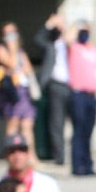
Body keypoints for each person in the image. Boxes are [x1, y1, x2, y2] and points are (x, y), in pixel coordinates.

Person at [0, 21, 39, 166]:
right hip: (11, 93)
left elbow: (28, 69)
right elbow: (11, 64)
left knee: (27, 124)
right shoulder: (0, 50)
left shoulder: (22, 52)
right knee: (13, 124)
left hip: (24, 92)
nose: (11, 36)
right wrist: (12, 49)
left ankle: (30, 155)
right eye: (8, 33)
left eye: (13, 32)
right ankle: (10, 154)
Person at [34, 14, 72, 167]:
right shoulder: (51, 45)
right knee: (56, 121)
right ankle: (59, 156)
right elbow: (37, 39)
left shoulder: (71, 46)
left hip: (72, 86)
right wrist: (49, 24)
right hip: (55, 85)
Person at [68, 19, 96, 177]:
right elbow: (67, 38)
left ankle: (87, 165)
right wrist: (77, 26)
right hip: (78, 93)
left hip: (91, 94)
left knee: (88, 131)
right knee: (79, 130)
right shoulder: (74, 48)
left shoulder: (93, 50)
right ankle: (77, 165)